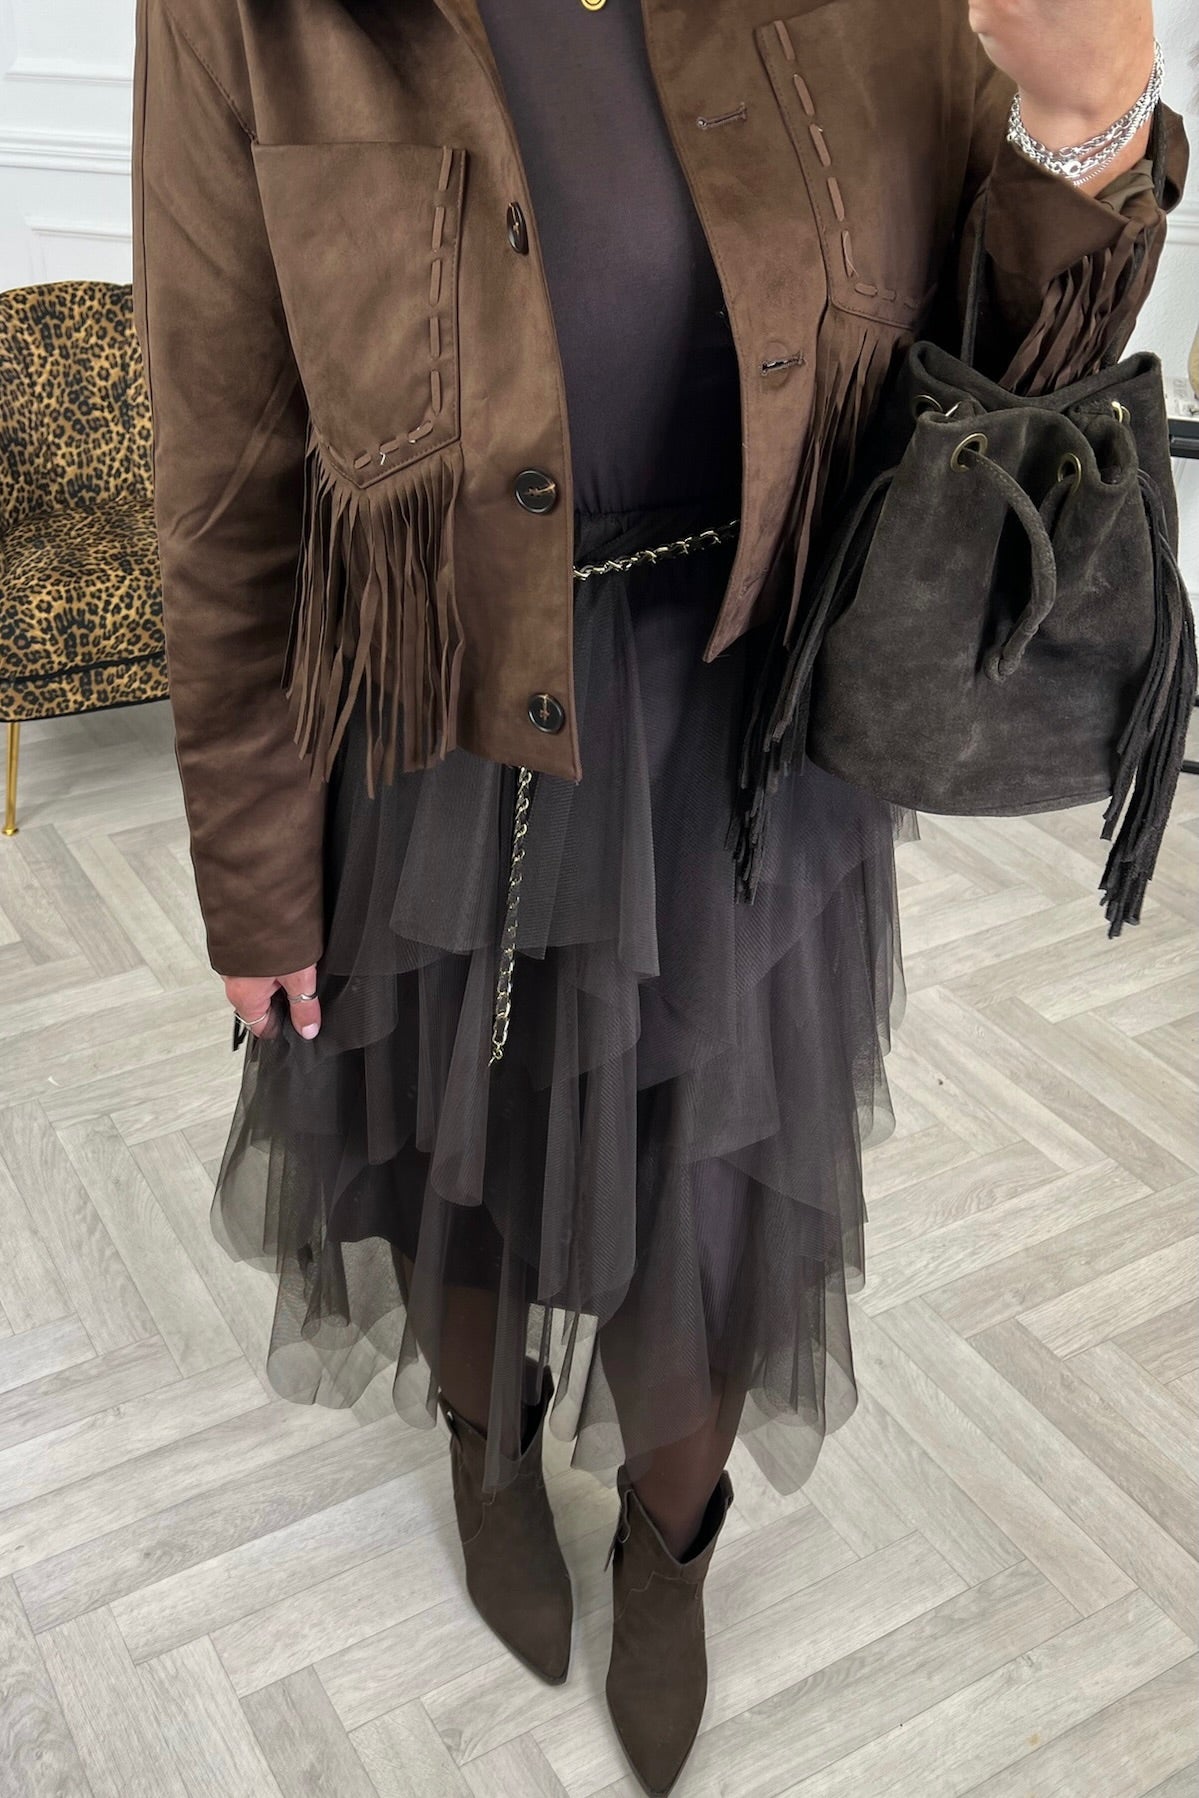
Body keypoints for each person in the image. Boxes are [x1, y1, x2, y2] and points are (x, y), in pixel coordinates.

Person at [131, 1, 1187, 1789]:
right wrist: (249, 864)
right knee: (449, 1143)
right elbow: (224, 458)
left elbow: (993, 378)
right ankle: (486, 1443)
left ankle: (671, 1539)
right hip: (433, 711)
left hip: (740, 720)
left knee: (702, 1193)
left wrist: (1087, 130)